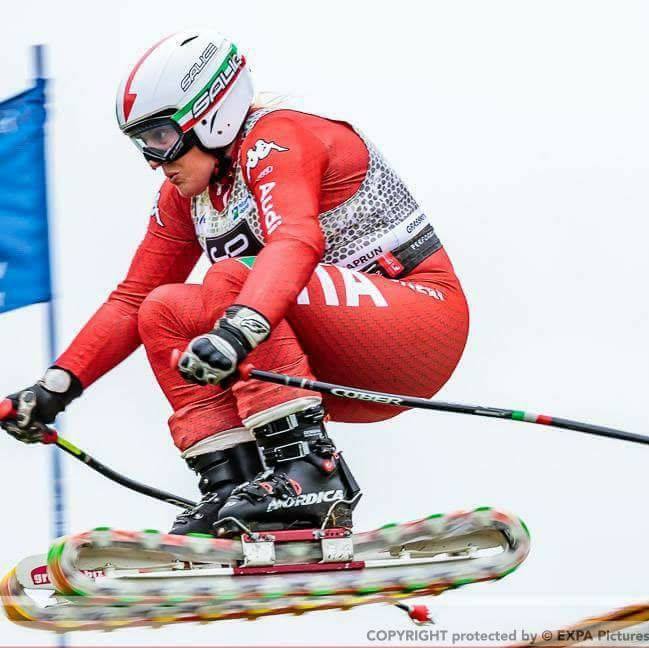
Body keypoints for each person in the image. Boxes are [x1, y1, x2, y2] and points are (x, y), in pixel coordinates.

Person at [1, 30, 469, 537]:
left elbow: (295, 238)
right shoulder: (187, 193)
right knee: (163, 308)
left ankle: (311, 474)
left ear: (212, 115)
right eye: (142, 145)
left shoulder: (278, 138)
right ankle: (236, 484)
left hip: (417, 328)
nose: (156, 160)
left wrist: (236, 331)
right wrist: (55, 388)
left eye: (161, 137)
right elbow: (131, 299)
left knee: (230, 275)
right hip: (331, 360)